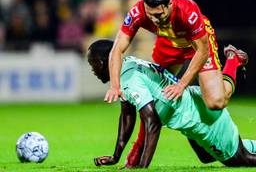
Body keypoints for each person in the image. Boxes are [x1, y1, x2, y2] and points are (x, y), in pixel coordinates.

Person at [88, 39, 256, 169]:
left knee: (239, 159)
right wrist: (116, 156)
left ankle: (233, 61)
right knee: (206, 156)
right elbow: (127, 114)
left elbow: (152, 122)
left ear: (101, 63)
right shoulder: (128, 65)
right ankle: (234, 60)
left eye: (92, 64)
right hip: (193, 112)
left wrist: (142, 167)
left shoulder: (129, 80)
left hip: (203, 120)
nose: (92, 70)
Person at [105, 0, 248, 112]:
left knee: (216, 102)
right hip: (168, 42)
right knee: (156, 96)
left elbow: (203, 51)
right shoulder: (138, 11)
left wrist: (181, 85)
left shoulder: (187, 10)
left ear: (170, 4)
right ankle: (141, 141)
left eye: (159, 15)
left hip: (196, 42)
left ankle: (233, 60)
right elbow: (117, 49)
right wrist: (115, 86)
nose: (154, 20)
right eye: (150, 15)